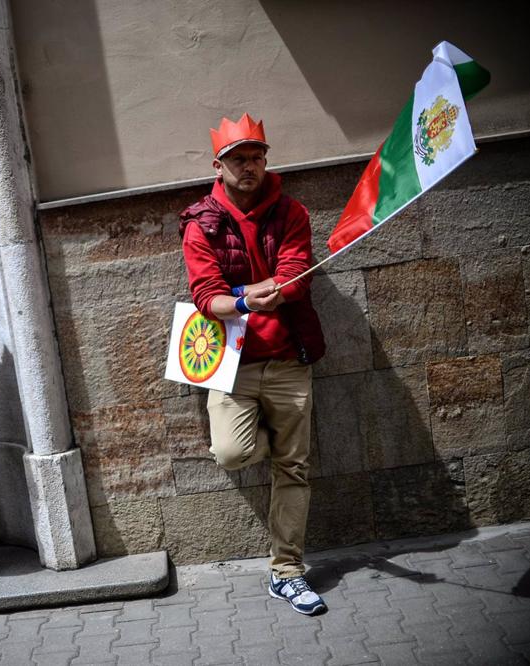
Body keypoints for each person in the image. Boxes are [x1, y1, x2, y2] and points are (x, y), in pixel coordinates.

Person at [178, 114, 327, 615]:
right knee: (232, 452)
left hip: (288, 360)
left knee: (294, 467)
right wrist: (244, 301)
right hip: (232, 368)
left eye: (257, 155)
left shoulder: (291, 212)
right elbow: (206, 295)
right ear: (218, 165)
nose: (249, 165)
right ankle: (264, 433)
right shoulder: (200, 223)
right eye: (238, 158)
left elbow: (297, 274)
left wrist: (275, 290)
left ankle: (287, 572)